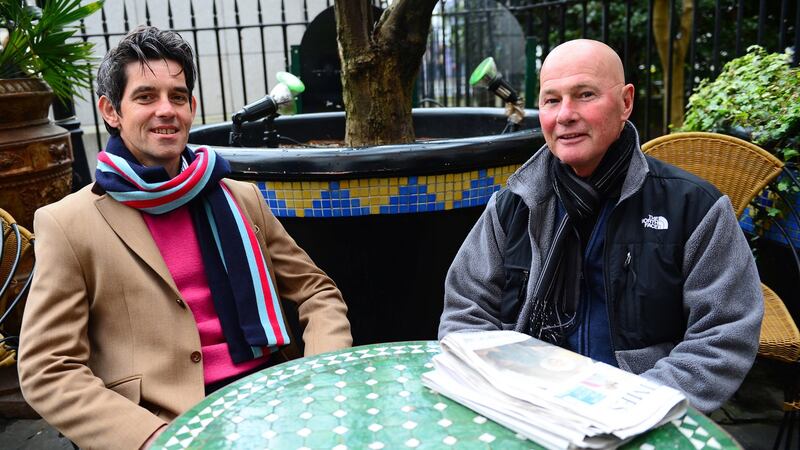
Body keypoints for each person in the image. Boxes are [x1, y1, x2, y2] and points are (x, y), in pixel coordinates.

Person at [17, 26, 352, 450]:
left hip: (274, 401)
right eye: (145, 97)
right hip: (165, 424)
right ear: (110, 110)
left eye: (177, 96)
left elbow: (317, 293)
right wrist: (152, 438)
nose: (166, 110)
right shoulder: (69, 223)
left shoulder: (240, 197)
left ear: (192, 107)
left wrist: (319, 377)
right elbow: (48, 368)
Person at [438, 39, 763, 413]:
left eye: (585, 94)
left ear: (626, 102)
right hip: (525, 409)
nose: (565, 114)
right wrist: (501, 389)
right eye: (551, 100)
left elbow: (723, 333)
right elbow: (465, 311)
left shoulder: (694, 208)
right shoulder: (513, 205)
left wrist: (632, 407)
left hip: (641, 415)